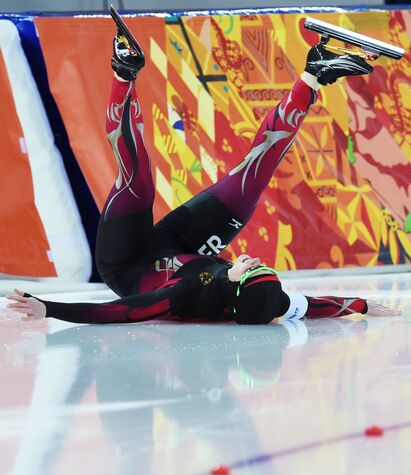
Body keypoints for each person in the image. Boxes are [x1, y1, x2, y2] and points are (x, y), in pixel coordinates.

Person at [6, 9, 401, 324]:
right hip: (180, 246)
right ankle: (314, 74)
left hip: (125, 262)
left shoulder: (182, 296)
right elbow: (313, 306)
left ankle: (122, 73)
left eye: (249, 268)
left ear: (237, 284)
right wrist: (360, 306)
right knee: (253, 174)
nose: (252, 259)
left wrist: (48, 308)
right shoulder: (263, 300)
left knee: (137, 178)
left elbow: (119, 313)